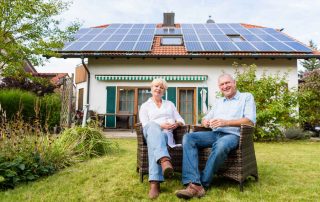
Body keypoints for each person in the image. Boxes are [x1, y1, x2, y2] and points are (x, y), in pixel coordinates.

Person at [175, 73, 256, 199]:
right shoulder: (219, 102)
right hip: (214, 133)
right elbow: (205, 118)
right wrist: (205, 122)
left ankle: (200, 184)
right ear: (219, 87)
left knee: (221, 144)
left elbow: (250, 120)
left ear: (234, 83)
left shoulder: (246, 97)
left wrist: (226, 122)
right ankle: (193, 181)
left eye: (227, 83)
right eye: (222, 84)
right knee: (188, 137)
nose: (225, 86)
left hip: (233, 135)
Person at [139, 78, 185, 199]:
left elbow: (181, 119)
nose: (158, 89)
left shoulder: (170, 104)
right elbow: (145, 124)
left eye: (161, 87)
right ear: (151, 88)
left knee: (156, 142)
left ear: (164, 91)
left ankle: (154, 183)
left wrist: (177, 124)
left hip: (166, 135)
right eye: (156, 86)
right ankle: (164, 160)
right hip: (149, 132)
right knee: (153, 127)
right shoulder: (145, 106)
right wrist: (160, 125)